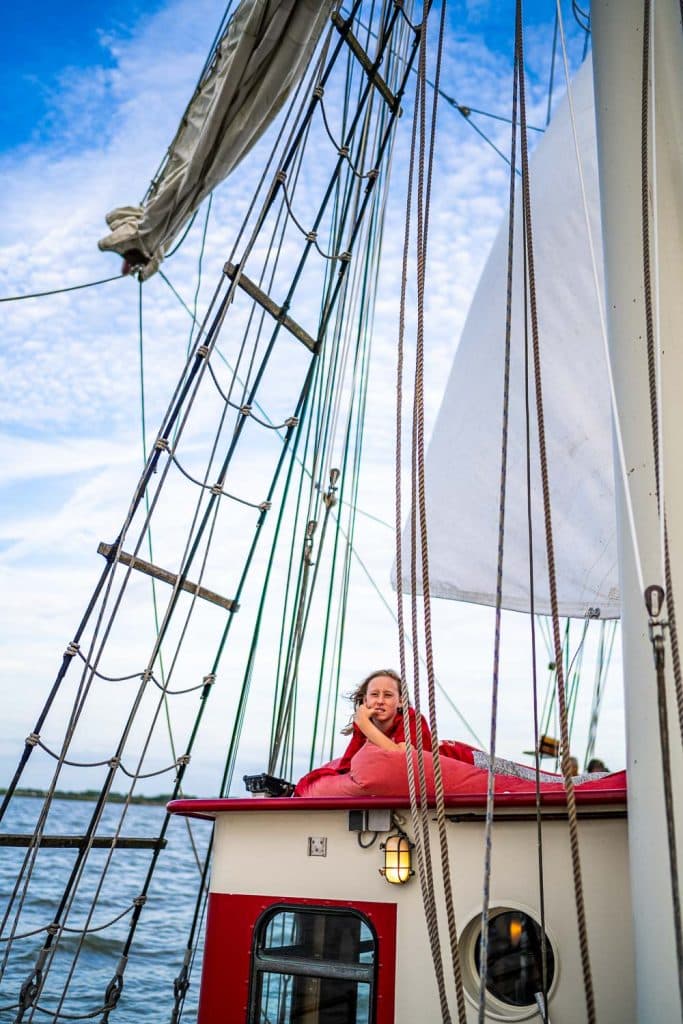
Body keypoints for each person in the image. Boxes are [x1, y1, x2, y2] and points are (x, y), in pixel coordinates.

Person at [293, 669, 431, 795]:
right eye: (374, 695)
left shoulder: (412, 719)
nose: (380, 701)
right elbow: (349, 766)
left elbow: (402, 757)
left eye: (388, 695)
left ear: (401, 702)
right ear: (366, 700)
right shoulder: (364, 724)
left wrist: (365, 725)